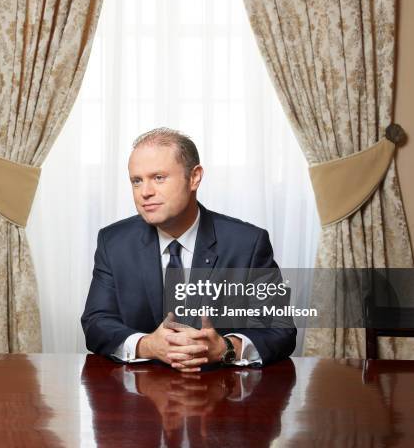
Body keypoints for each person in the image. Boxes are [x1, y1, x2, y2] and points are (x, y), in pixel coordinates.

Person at [81, 128, 296, 371]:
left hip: (223, 395)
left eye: (159, 177)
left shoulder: (247, 242)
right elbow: (96, 323)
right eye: (136, 181)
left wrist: (225, 348)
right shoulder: (113, 242)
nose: (145, 192)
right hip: (140, 396)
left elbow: (281, 329)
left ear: (194, 177)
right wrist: (147, 345)